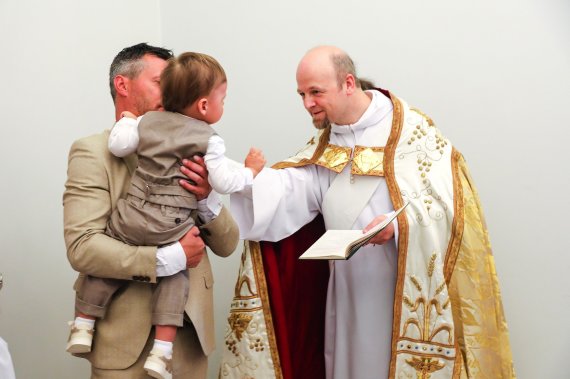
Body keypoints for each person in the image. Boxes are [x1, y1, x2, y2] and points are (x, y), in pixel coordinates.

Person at [219, 46, 515, 379]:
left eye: (316, 92)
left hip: (398, 294)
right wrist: (240, 180)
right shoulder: (327, 144)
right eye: (302, 93)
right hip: (346, 293)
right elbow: (294, 190)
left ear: (348, 83)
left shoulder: (411, 134)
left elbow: (450, 207)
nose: (307, 103)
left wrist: (400, 226)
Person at [66, 51, 264, 379]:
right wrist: (170, 258)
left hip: (189, 342)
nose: (169, 92)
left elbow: (228, 244)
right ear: (123, 85)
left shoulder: (198, 147)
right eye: (160, 82)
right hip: (126, 349)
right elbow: (83, 248)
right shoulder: (92, 152)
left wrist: (205, 198)